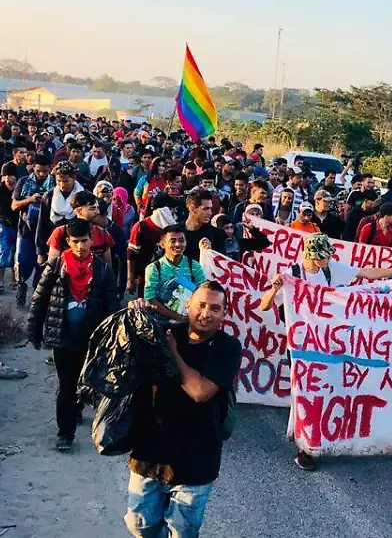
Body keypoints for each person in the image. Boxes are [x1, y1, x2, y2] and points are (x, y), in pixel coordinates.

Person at [258, 233, 392, 471]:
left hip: (328, 343)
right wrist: (275, 288)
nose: (328, 260)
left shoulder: (330, 269)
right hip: (303, 346)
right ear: (311, 256)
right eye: (323, 257)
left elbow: (366, 273)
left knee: (324, 392)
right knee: (307, 393)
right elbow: (264, 306)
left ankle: (314, 439)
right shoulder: (291, 275)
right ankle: (306, 447)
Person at [125, 282, 241, 538]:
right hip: (151, 452)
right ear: (187, 305)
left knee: (183, 532)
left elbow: (200, 391)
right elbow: (126, 356)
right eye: (200, 305)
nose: (206, 313)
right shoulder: (163, 332)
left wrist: (173, 354)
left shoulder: (228, 347)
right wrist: (135, 316)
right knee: (139, 524)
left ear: (224, 313)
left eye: (214, 308)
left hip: (197, 459)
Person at [27, 219, 119, 452]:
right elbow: (40, 300)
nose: (80, 246)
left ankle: (94, 424)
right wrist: (34, 332)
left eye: (85, 241)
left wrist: (115, 340)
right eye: (75, 242)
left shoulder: (102, 271)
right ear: (68, 241)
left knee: (93, 385)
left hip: (93, 341)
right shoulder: (56, 266)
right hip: (64, 338)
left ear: (92, 240)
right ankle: (65, 434)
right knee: (66, 387)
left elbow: (112, 308)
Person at [12, 154, 55, 306]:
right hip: (26, 232)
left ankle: (36, 300)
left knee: (41, 269)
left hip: (45, 234)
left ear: (50, 169)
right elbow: (14, 205)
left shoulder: (55, 185)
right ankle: (21, 286)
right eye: (38, 171)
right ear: (33, 168)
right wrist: (30, 199)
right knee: (24, 263)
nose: (42, 175)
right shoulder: (23, 182)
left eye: (45, 171)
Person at [144, 225, 208, 322]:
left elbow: (204, 292)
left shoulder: (194, 266)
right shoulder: (154, 269)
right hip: (163, 323)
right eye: (173, 241)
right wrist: (177, 317)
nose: (178, 244)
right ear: (162, 244)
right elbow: (150, 298)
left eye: (181, 240)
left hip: (189, 321)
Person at [46, 191, 115, 261]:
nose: (97, 212)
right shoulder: (60, 232)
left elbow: (106, 268)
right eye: (92, 208)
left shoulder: (103, 234)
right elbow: (52, 265)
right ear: (79, 211)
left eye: (97, 208)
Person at [0, 163, 21, 295]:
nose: (8, 178)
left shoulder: (20, 189)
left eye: (11, 175)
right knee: (2, 250)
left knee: (15, 252)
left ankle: (14, 280)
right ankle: (0, 282)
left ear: (16, 177)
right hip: (3, 224)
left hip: (19, 225)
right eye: (5, 176)